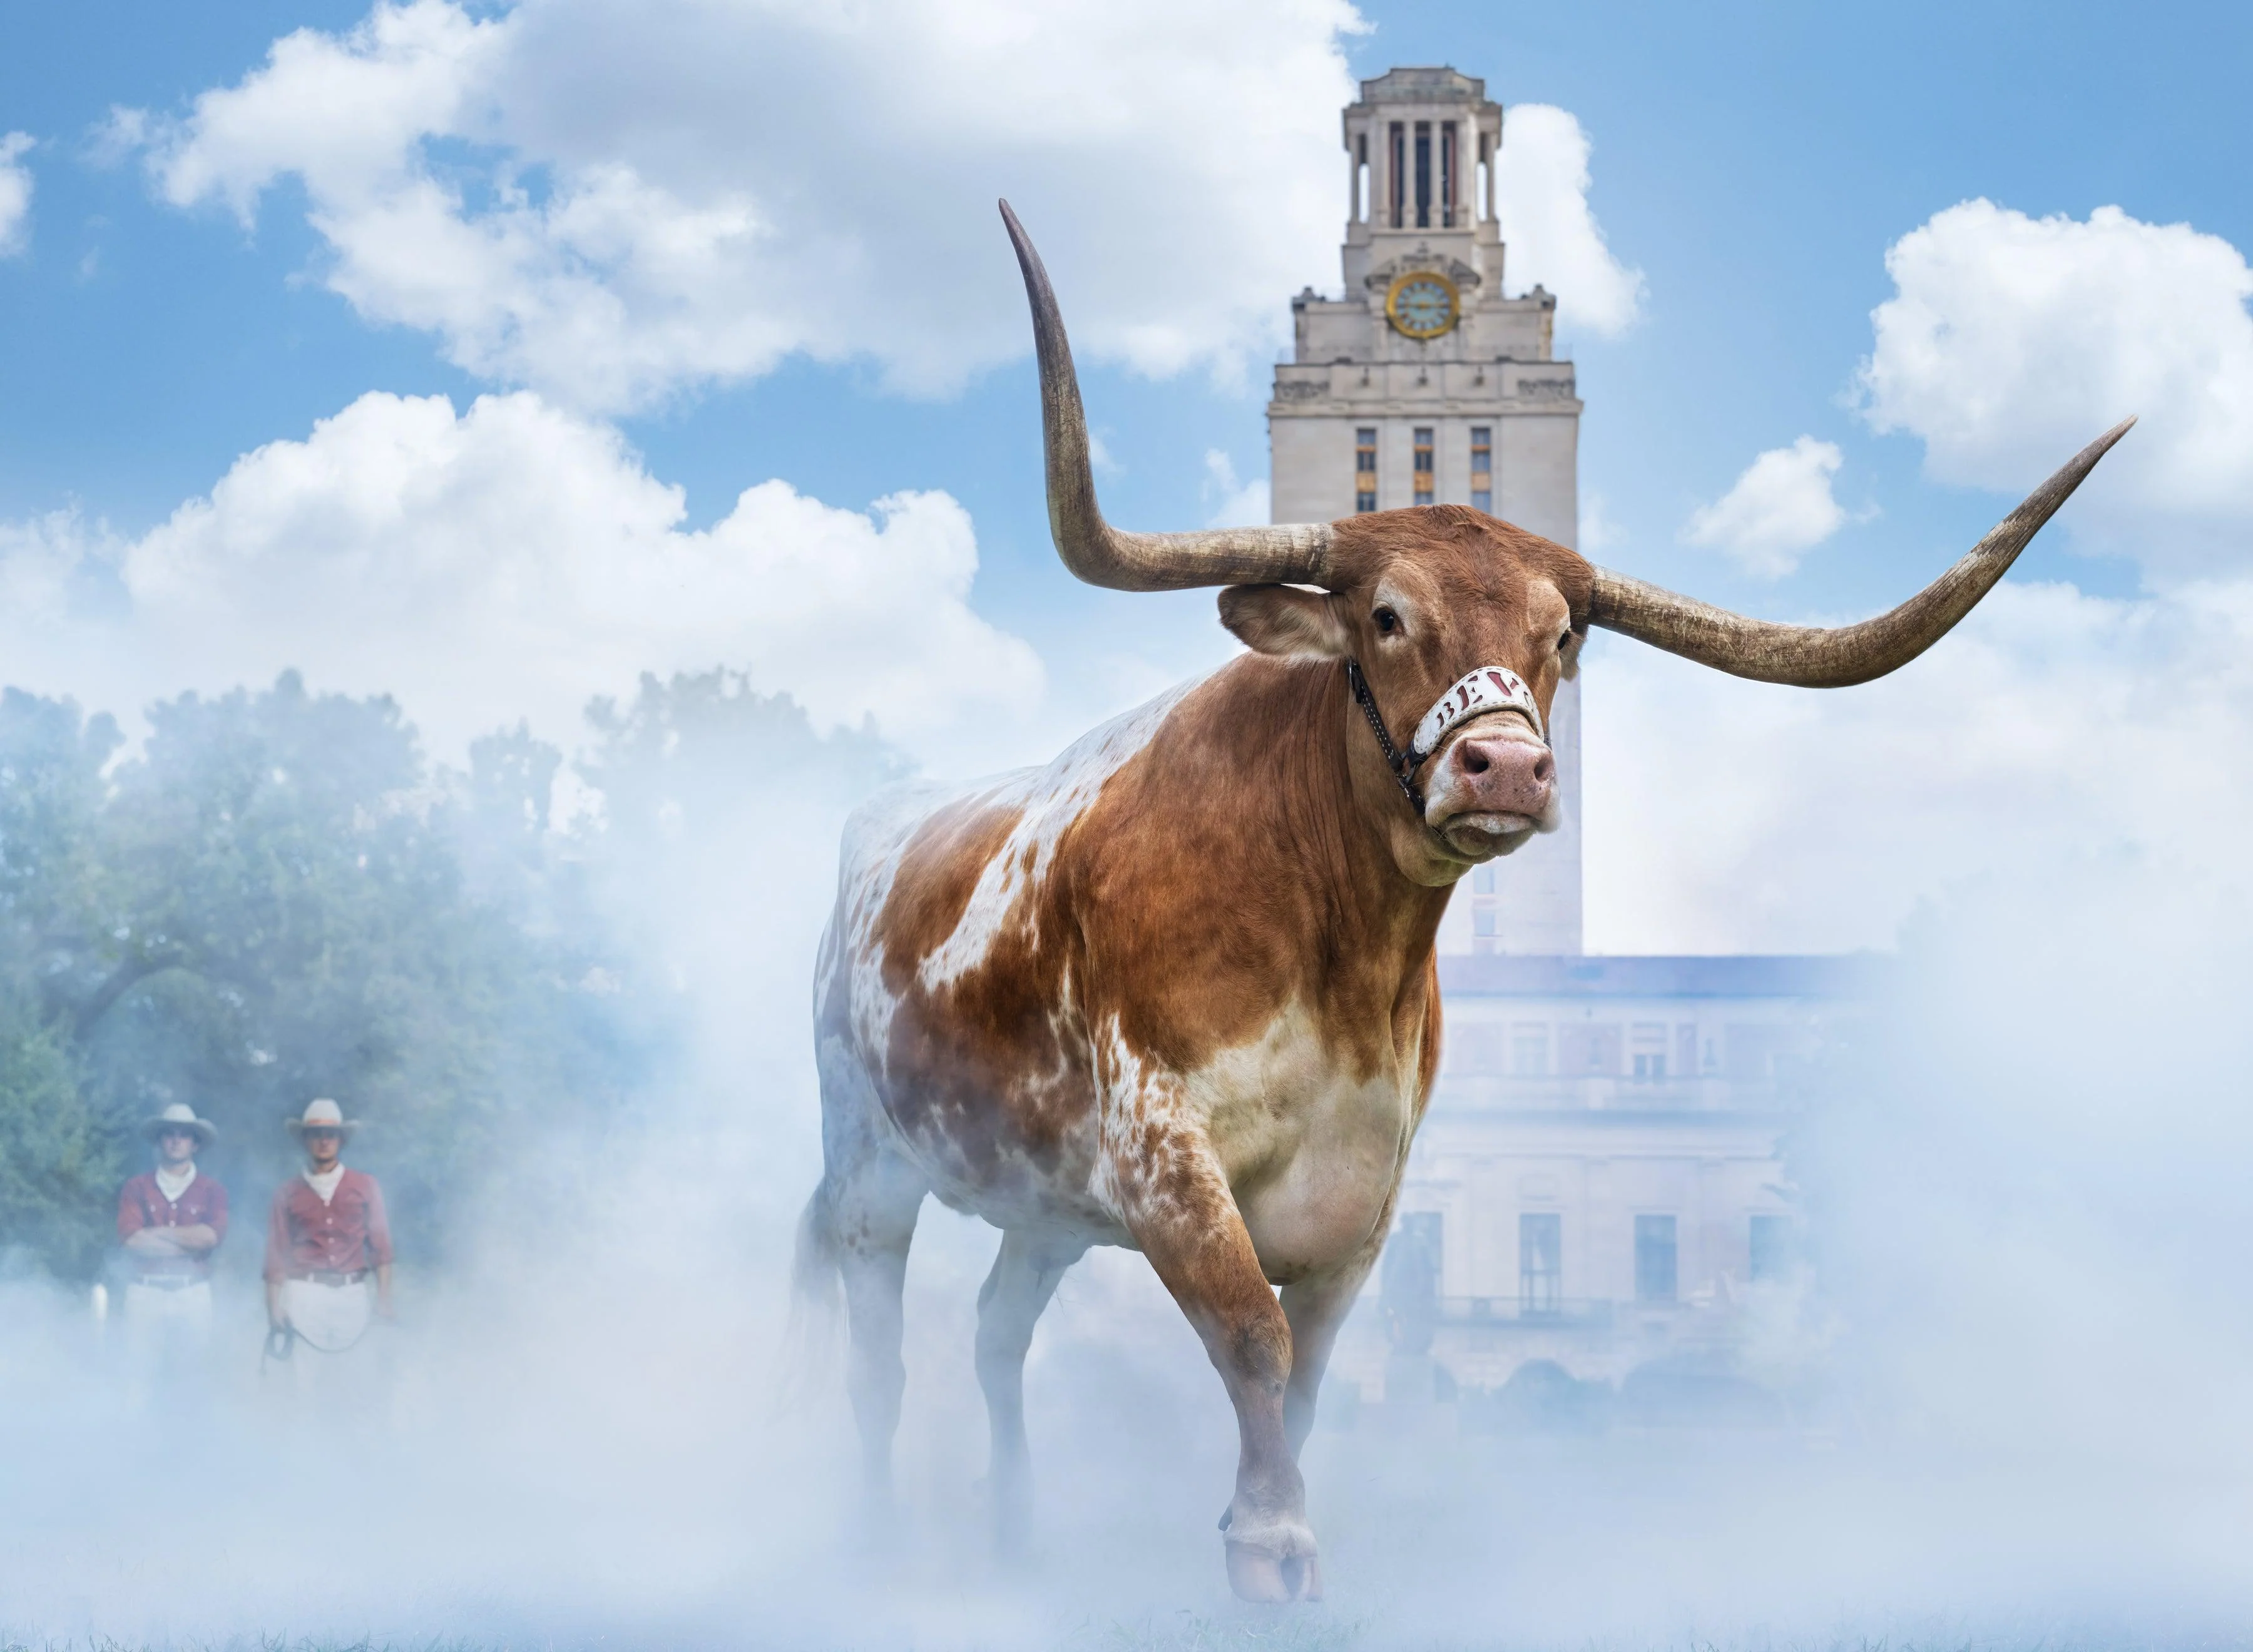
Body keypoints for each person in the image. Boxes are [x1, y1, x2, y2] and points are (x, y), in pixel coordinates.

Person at [264, 1098, 393, 1373]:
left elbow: (381, 1248)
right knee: (304, 1379)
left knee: (355, 1378)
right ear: (305, 1140)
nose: (324, 1141)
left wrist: (383, 1299)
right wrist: (274, 1306)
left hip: (352, 1291)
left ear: (340, 1140)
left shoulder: (365, 1185)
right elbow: (276, 1252)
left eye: (331, 1135)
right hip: (304, 1292)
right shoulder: (287, 1192)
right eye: (316, 1135)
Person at [116, 1102, 228, 1347]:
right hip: (146, 1292)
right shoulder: (137, 1187)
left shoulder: (212, 1190)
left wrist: (156, 1233)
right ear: (159, 1140)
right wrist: (187, 1244)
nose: (176, 1141)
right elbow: (132, 1241)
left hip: (192, 1293)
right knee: (137, 1373)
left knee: (192, 1373)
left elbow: (209, 1238)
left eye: (185, 1135)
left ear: (195, 1144)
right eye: (170, 1134)